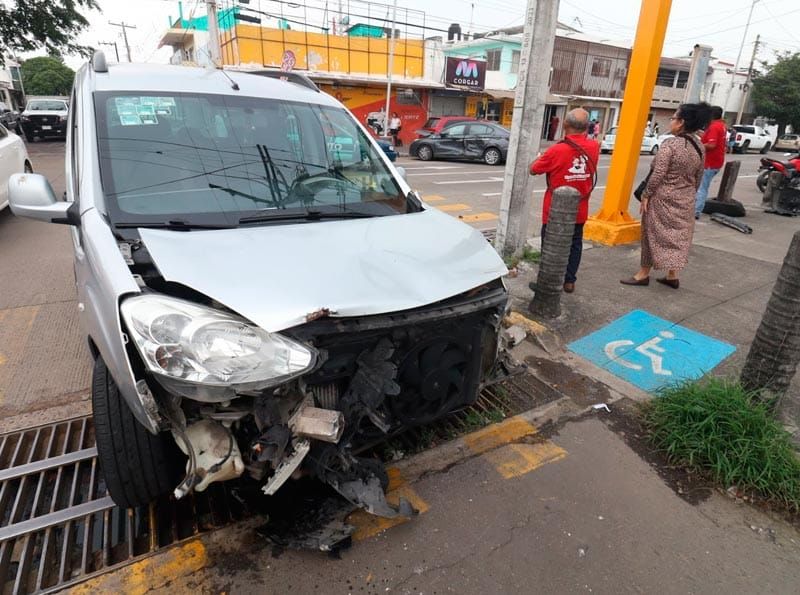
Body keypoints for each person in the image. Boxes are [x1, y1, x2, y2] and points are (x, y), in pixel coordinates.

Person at [620, 103, 711, 290]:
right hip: (686, 198)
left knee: (650, 234)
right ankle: (672, 275)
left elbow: (658, 173)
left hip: (663, 198)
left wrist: (646, 194)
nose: (671, 121)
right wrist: (689, 194)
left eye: (673, 118)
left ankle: (643, 274)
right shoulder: (699, 146)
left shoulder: (670, 144)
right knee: (679, 237)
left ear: (681, 122)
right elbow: (699, 175)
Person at [529, 108, 600, 294]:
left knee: (550, 246)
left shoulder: (556, 150)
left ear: (565, 125)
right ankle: (569, 281)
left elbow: (533, 169)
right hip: (579, 208)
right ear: (586, 126)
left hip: (555, 211)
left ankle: (547, 282)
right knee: (575, 244)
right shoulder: (594, 147)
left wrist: (540, 158)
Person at [694, 105, 727, 219]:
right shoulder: (721, 125)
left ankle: (696, 211)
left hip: (709, 163)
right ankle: (695, 209)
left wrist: (697, 146)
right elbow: (712, 139)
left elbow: (712, 144)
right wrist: (701, 134)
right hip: (716, 162)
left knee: (701, 188)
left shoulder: (714, 127)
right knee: (701, 186)